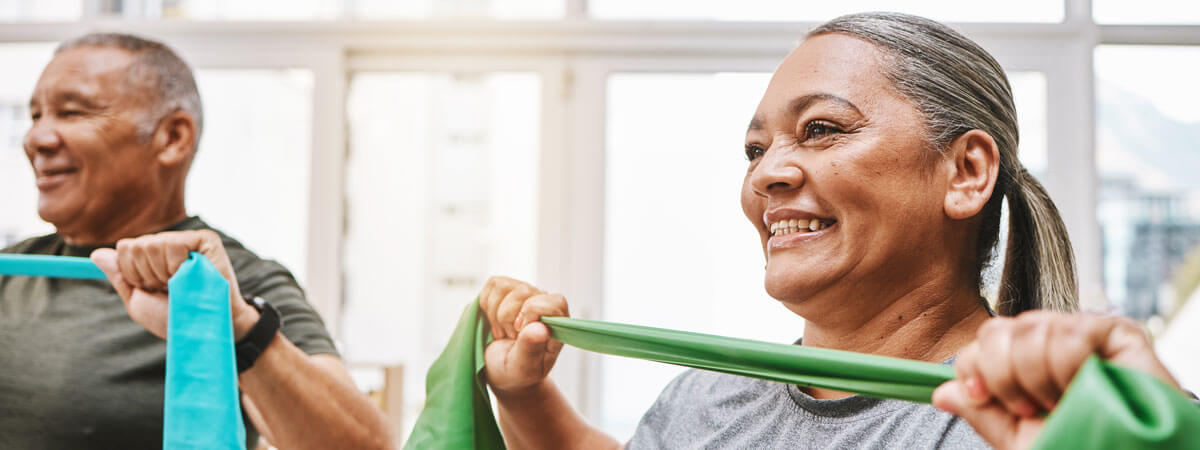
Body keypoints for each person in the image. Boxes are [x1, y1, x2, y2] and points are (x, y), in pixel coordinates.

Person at [473, 12, 1189, 449]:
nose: (767, 174)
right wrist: (525, 394)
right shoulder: (706, 400)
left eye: (821, 129)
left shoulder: (1054, 417)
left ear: (966, 172)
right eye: (755, 150)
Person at [0, 33, 392, 449]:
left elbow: (364, 446)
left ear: (173, 137)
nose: (37, 139)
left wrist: (239, 329)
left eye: (71, 112)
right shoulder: (12, 270)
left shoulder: (230, 283)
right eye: (36, 116)